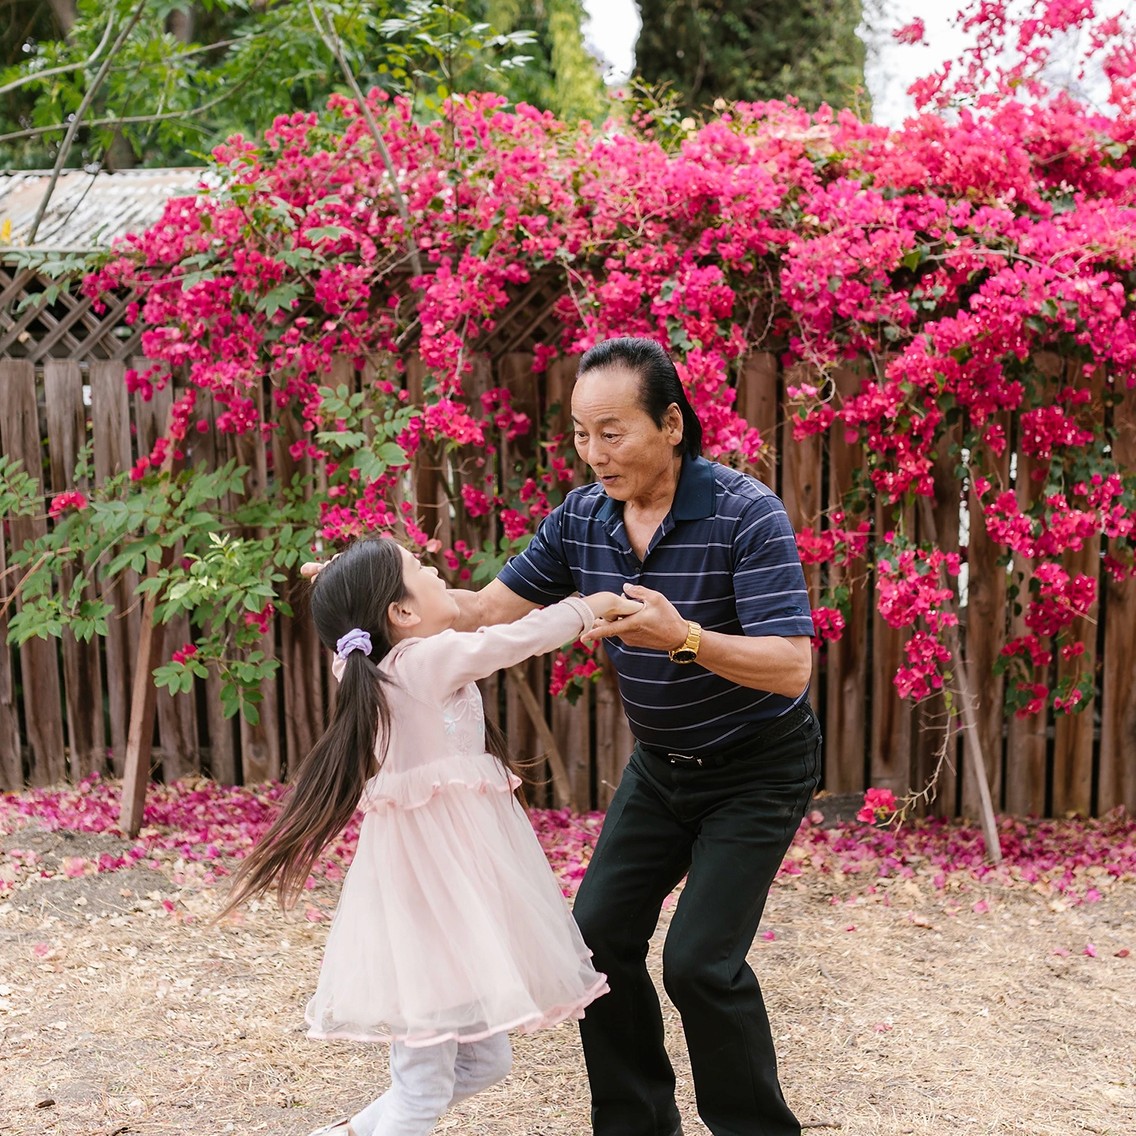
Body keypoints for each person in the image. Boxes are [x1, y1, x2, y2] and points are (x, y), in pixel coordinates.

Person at [304, 335, 820, 1136]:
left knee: (698, 965)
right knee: (598, 943)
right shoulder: (582, 519)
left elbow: (791, 668)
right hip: (660, 769)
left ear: (671, 425)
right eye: (581, 433)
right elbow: (481, 615)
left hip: (756, 766)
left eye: (612, 432)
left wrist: (683, 639)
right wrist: (357, 599)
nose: (593, 453)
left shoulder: (744, 515)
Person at [220, 536, 641, 1136]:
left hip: (449, 893)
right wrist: (588, 607)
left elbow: (354, 635)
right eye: (421, 570)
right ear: (403, 614)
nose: (439, 570)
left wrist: (332, 581)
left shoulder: (368, 665)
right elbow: (513, 639)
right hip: (432, 903)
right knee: (421, 1092)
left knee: (484, 1063)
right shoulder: (421, 662)